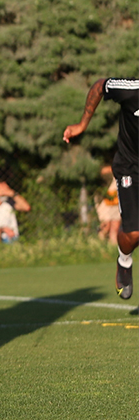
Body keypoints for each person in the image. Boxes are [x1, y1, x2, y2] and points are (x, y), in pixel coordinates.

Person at [64, 78, 139, 299]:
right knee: (134, 233)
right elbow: (100, 86)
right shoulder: (132, 91)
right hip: (130, 167)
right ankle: (124, 261)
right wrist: (82, 124)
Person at [96, 166, 121, 245]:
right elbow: (103, 171)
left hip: (116, 202)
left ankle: (112, 249)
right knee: (106, 226)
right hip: (105, 202)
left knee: (115, 228)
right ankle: (99, 245)